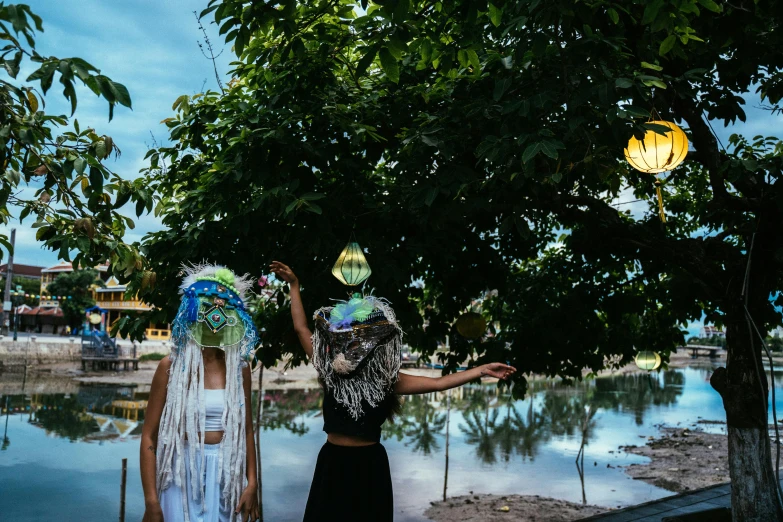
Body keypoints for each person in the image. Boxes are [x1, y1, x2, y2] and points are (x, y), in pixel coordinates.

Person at [269, 261, 516, 522]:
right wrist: (294, 285)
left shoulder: (386, 379)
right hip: (332, 463)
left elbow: (437, 383)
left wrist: (482, 370)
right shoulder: (331, 372)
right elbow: (301, 329)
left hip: (369, 467)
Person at [140, 264, 261, 522]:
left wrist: (252, 483)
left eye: (223, 311)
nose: (213, 318)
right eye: (206, 310)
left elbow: (247, 429)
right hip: (180, 471)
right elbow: (149, 436)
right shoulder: (171, 367)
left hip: (227, 472)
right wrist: (151, 501)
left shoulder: (240, 369)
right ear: (193, 314)